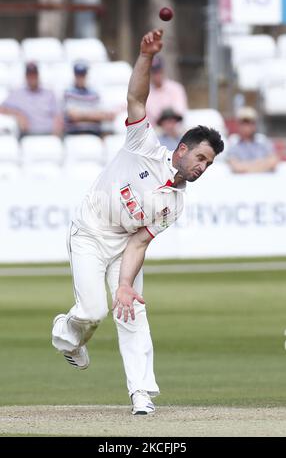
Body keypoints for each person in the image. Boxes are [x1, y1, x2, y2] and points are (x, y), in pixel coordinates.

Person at [51, 29, 224, 415]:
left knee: (131, 310)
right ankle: (67, 336)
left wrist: (126, 286)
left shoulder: (176, 204)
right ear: (181, 150)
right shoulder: (142, 145)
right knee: (93, 311)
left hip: (123, 248)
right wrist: (145, 56)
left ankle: (141, 394)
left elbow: (139, 244)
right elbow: (135, 98)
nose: (202, 167)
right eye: (199, 158)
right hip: (90, 233)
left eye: (208, 164)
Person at [0, 62, 62, 136]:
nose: (32, 78)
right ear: (26, 76)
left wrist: (57, 129)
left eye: (34, 75)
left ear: (38, 75)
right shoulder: (17, 94)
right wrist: (18, 114)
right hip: (28, 134)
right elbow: (1, 108)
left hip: (49, 133)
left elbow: (58, 115)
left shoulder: (49, 94)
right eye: (30, 75)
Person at [63, 62, 116, 136]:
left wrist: (82, 115)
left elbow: (104, 115)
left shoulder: (94, 93)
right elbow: (73, 115)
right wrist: (93, 115)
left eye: (83, 75)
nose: (80, 77)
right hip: (75, 133)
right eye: (78, 75)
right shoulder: (69, 92)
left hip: (94, 133)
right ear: (75, 75)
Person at [227, 107, 279, 173]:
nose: (247, 126)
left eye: (250, 122)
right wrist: (261, 164)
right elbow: (236, 166)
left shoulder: (263, 140)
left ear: (255, 124)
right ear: (238, 124)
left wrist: (246, 167)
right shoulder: (233, 142)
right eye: (244, 122)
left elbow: (273, 161)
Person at [146, 56, 188, 127]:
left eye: (159, 71)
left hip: (175, 128)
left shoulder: (176, 88)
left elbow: (179, 111)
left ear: (163, 71)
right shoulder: (145, 92)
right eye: (154, 72)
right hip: (154, 131)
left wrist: (168, 119)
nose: (157, 75)